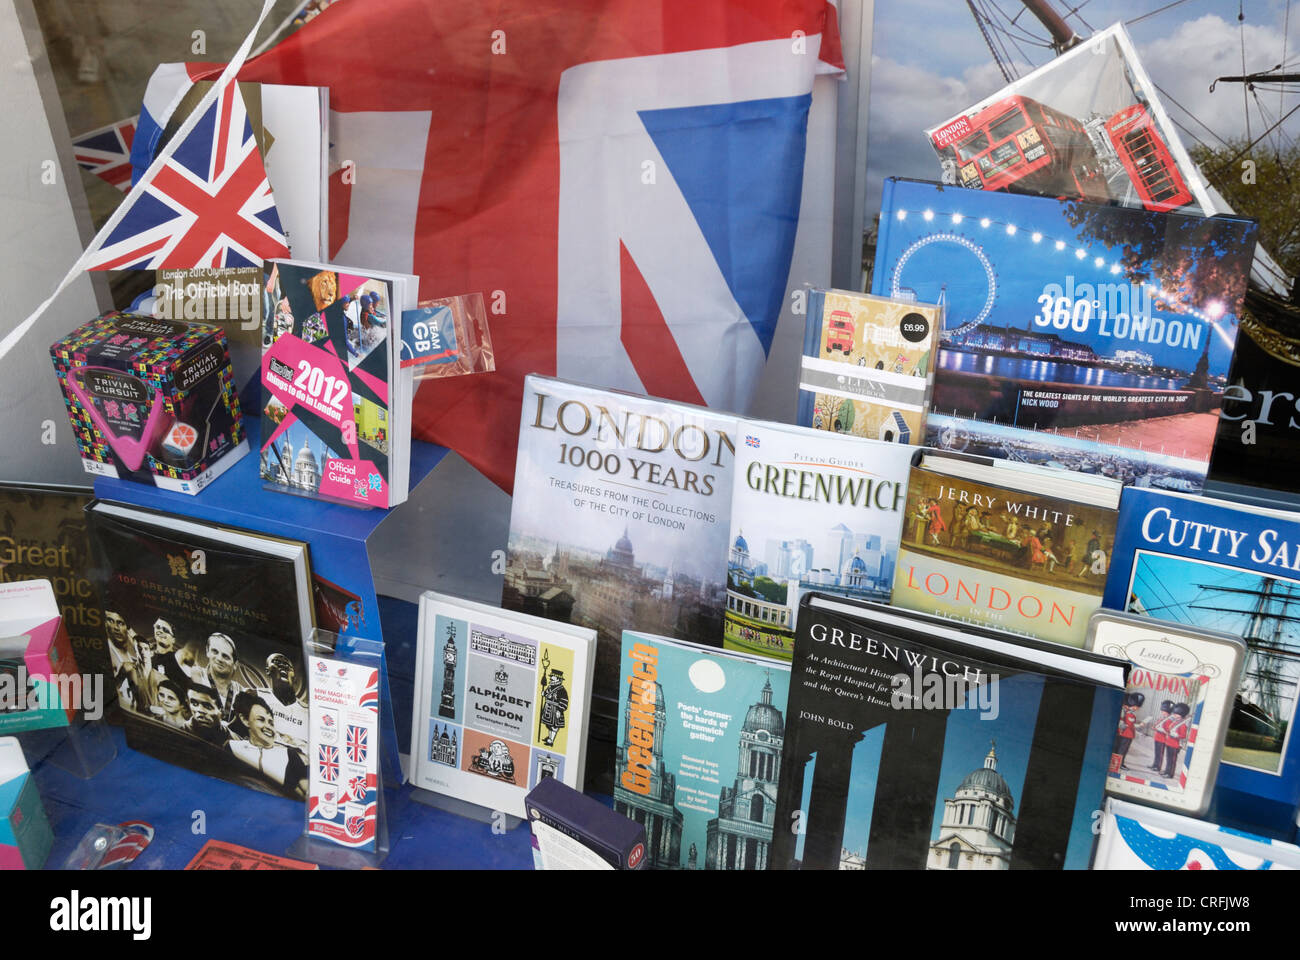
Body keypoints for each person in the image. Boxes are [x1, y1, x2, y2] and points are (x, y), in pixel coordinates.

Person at [227, 695, 309, 799]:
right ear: (245, 720)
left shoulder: (290, 754)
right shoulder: (232, 747)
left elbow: (308, 792)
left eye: (271, 722)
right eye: (261, 719)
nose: (268, 727)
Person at [253, 653, 309, 750]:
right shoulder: (254, 695)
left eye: (288, 666)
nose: (283, 666)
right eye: (277, 662)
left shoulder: (308, 711)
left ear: (294, 676)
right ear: (268, 670)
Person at [197, 633, 245, 723]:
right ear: (207, 652)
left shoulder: (241, 692)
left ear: (235, 665)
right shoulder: (195, 675)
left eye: (225, 656)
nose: (219, 659)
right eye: (215, 652)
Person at [105, 610, 141, 711]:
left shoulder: (133, 655)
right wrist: (121, 676)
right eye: (111, 621)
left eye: (120, 623)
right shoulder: (106, 651)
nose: (116, 628)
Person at [538, 668, 569, 746]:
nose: (551, 677)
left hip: (555, 710)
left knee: (554, 726)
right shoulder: (550, 686)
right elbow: (547, 693)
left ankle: (551, 740)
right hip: (548, 708)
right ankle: (549, 738)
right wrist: (544, 693)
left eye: (552, 676)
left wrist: (560, 710)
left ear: (557, 678)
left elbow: (564, 701)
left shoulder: (561, 690)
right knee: (548, 725)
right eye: (551, 676)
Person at [1114, 691, 1143, 771]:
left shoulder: (1126, 712)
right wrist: (1140, 725)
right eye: (1137, 707)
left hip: (1121, 733)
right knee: (1123, 750)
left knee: (1118, 749)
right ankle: (1120, 764)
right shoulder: (1130, 714)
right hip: (1127, 735)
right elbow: (1131, 725)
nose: (1137, 708)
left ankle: (1116, 763)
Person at [1164, 702, 1192, 779]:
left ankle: (1170, 774)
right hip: (1169, 743)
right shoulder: (1175, 722)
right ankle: (1167, 771)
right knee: (1168, 759)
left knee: (1172, 761)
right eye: (1175, 713)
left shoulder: (1182, 724)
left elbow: (1183, 736)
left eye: (1177, 714)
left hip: (1175, 745)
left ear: (1182, 714)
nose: (1175, 715)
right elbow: (1169, 730)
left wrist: (1176, 735)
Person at [1150, 700, 1174, 774]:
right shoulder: (1161, 718)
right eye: (1162, 710)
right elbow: (1156, 725)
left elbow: (1168, 731)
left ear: (1168, 712)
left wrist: (1161, 729)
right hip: (1157, 737)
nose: (1162, 712)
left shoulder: (1169, 720)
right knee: (1156, 753)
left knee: (1160, 754)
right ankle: (1154, 765)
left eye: (1164, 711)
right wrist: (1154, 727)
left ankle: (1158, 767)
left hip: (1162, 739)